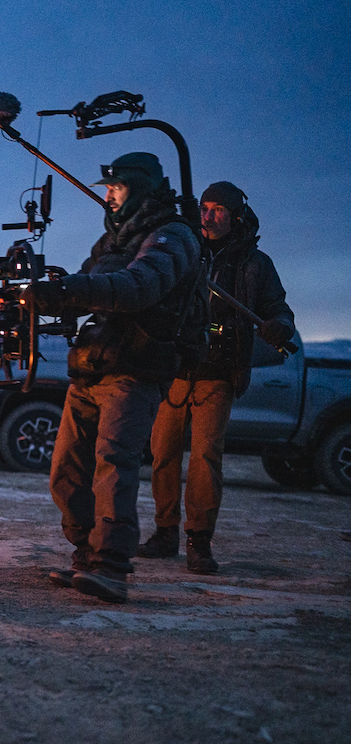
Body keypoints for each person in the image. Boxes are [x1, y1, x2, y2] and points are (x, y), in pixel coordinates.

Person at [22, 152, 207, 603]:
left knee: (114, 467)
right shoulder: (114, 240)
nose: (107, 196)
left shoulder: (173, 236)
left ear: (138, 188)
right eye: (106, 188)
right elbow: (89, 286)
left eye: (115, 188)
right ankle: (86, 556)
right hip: (92, 365)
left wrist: (71, 290)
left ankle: (112, 567)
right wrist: (47, 296)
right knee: (66, 469)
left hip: (136, 368)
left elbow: (138, 286)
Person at [141, 182, 295, 574]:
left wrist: (279, 326)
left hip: (219, 373)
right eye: (204, 208)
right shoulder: (183, 250)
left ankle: (199, 541)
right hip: (175, 368)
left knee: (206, 457)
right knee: (162, 453)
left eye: (218, 210)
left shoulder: (256, 264)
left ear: (236, 216)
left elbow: (279, 310)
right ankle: (164, 532)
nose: (208, 216)